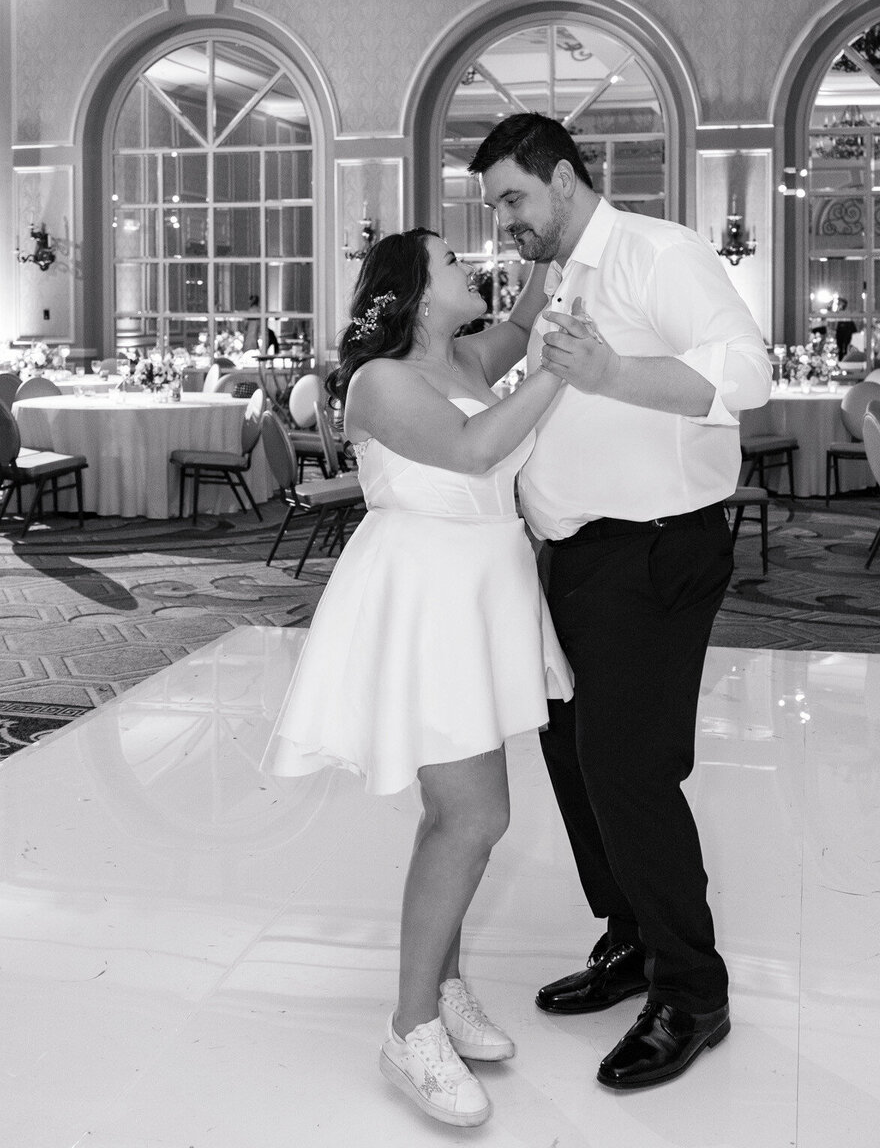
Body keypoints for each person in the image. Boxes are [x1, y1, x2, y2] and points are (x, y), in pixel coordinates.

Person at [470, 114, 772, 1092]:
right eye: (496, 207)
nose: (505, 221)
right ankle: (632, 939)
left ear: (563, 179)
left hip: (655, 549)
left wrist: (610, 373)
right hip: (575, 558)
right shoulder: (559, 278)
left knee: (628, 768)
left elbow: (749, 372)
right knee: (571, 751)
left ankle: (693, 990)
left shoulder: (656, 253)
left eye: (514, 198)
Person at [261, 229, 573, 1129]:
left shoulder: (467, 355)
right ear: (417, 292)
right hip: (427, 599)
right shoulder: (380, 381)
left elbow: (525, 316)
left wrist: (549, 249)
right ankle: (409, 1028)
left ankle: (440, 982)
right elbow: (474, 450)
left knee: (457, 816)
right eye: (451, 263)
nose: (470, 268)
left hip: (483, 589)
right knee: (473, 817)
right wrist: (559, 372)